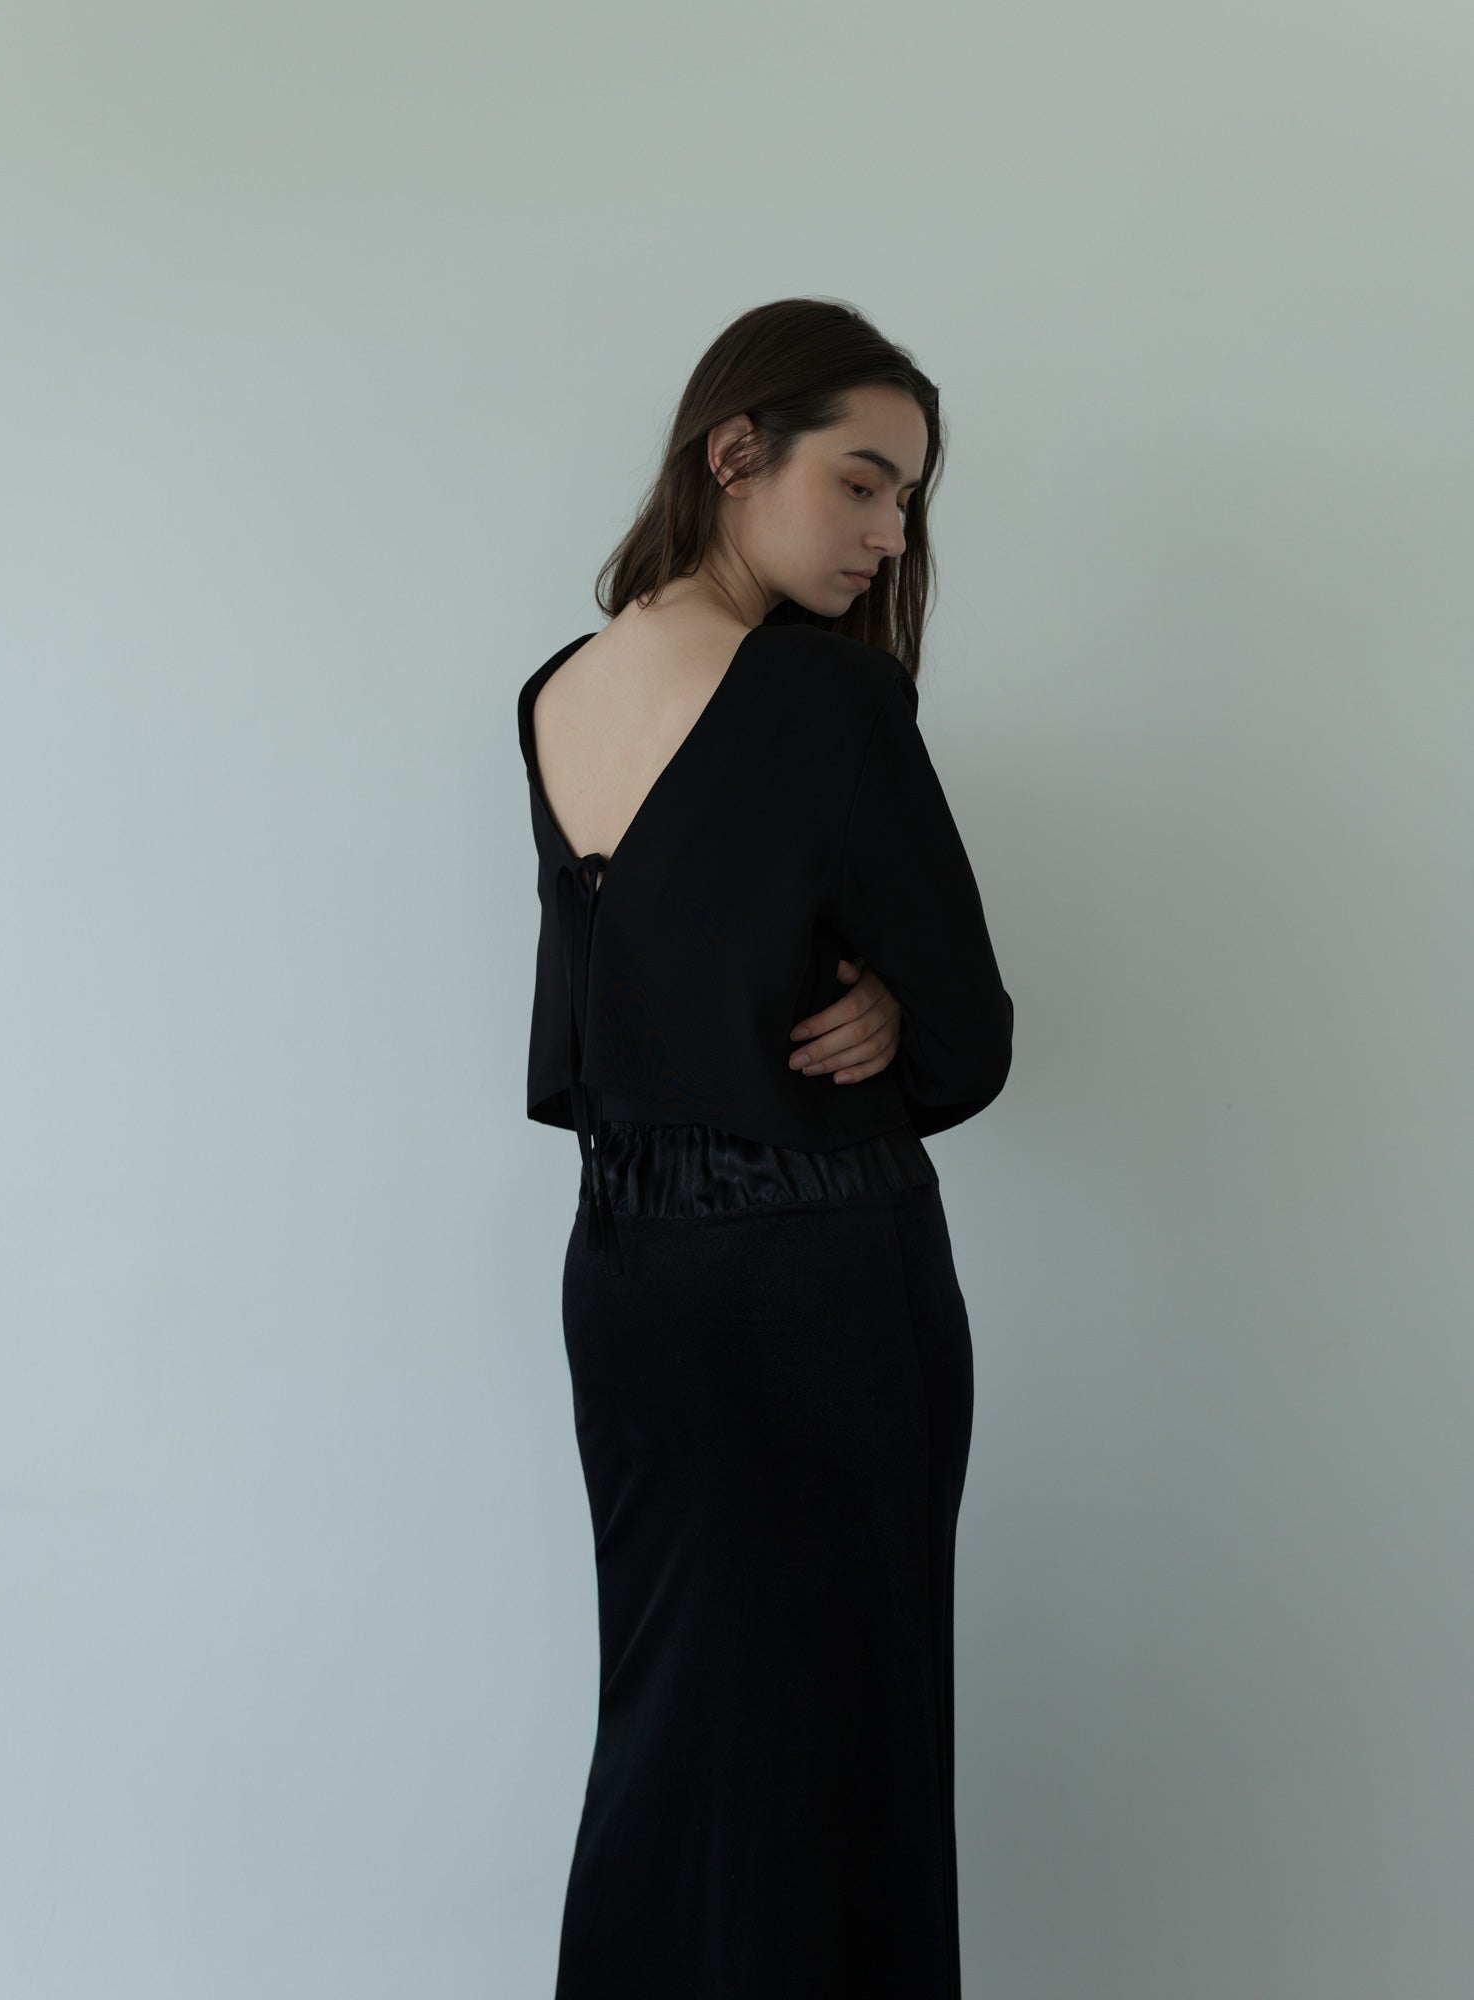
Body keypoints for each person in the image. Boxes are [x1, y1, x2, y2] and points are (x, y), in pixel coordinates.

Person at [516, 297, 1014, 1999]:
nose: (890, 536)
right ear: (735, 453)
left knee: (671, 1725)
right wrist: (894, 1013)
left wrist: (862, 1000)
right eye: (862, 483)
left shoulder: (557, 690)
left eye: (909, 503)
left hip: (625, 1282)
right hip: (821, 1281)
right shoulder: (825, 696)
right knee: (848, 1743)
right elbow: (973, 1041)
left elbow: (636, 1001)